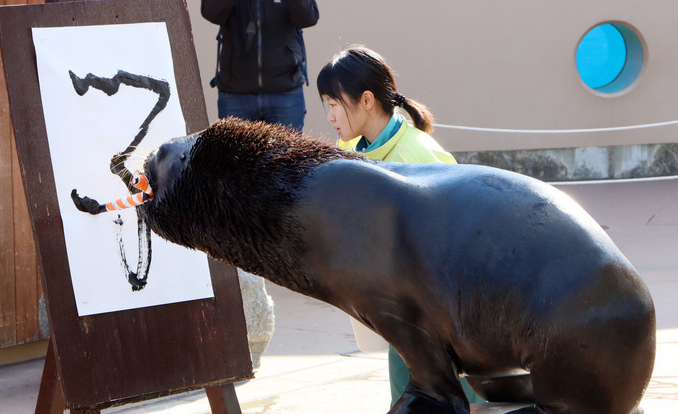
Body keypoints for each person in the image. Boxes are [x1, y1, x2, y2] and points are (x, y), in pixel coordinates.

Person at [316, 45, 486, 410]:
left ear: (366, 100)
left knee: (459, 403)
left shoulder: (420, 156)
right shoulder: (348, 147)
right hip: (400, 311)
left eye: (334, 103)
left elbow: (458, 238)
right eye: (326, 105)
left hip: (445, 319)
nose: (329, 116)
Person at [201, 0, 319, 131]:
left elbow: (308, 17)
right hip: (235, 92)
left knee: (287, 152)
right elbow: (211, 12)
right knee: (235, 152)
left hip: (285, 90)